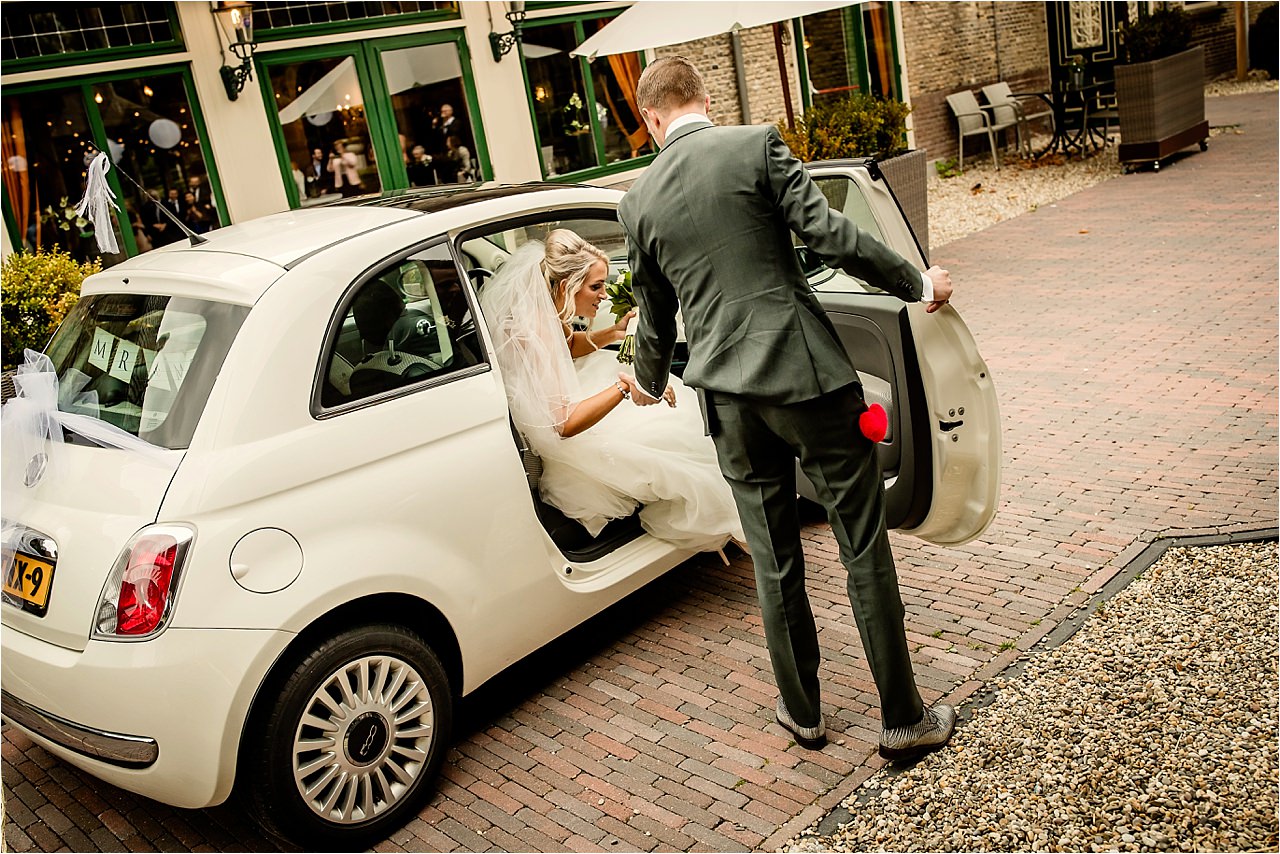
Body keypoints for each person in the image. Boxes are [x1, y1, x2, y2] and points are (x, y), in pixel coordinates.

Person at [618, 56, 957, 761]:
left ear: (651, 118)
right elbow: (831, 235)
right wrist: (917, 282)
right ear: (703, 97)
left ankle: (803, 713)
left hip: (728, 401)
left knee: (773, 558)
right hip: (805, 378)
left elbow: (654, 315)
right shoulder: (754, 145)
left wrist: (647, 382)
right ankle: (902, 718)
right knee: (860, 542)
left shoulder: (638, 199)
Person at [478, 228, 743, 552]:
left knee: (676, 413)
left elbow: (567, 346)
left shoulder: (544, 307)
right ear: (567, 285)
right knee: (676, 436)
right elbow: (564, 424)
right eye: (596, 286)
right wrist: (624, 387)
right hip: (566, 438)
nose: (604, 295)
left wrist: (614, 333)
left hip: (567, 402)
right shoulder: (532, 328)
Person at [430, 103, 470, 184]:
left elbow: (454, 133)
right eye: (442, 111)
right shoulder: (440, 124)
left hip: (456, 149)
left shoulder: (456, 122)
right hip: (445, 151)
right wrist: (434, 125)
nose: (443, 113)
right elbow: (435, 138)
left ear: (451, 111)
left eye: (445, 111)